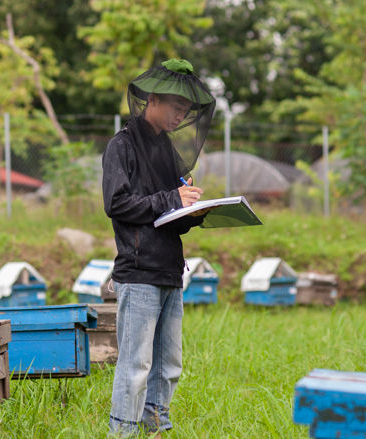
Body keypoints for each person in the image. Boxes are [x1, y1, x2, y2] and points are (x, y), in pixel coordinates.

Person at [102, 59, 216, 437]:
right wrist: (172, 197)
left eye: (187, 111)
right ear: (152, 100)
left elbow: (168, 213)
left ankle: (156, 429)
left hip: (169, 270)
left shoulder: (167, 152)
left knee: (169, 364)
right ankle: (123, 432)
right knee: (136, 364)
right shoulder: (121, 146)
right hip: (138, 274)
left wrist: (197, 210)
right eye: (177, 107)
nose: (181, 116)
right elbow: (117, 204)